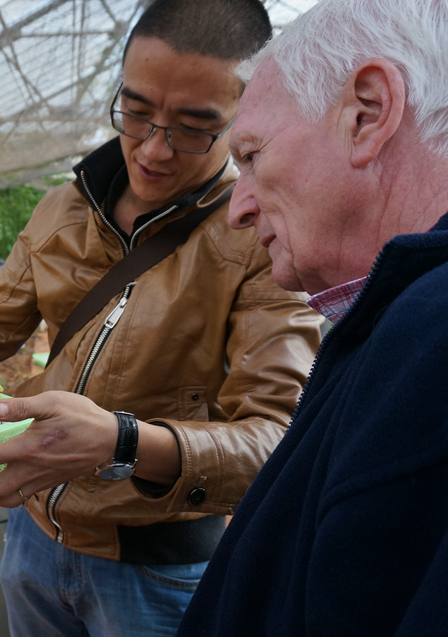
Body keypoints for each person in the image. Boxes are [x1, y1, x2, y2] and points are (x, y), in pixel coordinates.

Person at [0, 1, 323, 634]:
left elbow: (275, 440)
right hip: (34, 530)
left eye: (194, 127)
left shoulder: (257, 236)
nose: (153, 149)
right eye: (137, 111)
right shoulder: (65, 209)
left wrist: (124, 441)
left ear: (243, 114)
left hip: (154, 569)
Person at [174, 0, 448, 634]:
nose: (237, 208)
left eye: (251, 154)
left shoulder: (429, 347)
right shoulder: (395, 322)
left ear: (368, 113)